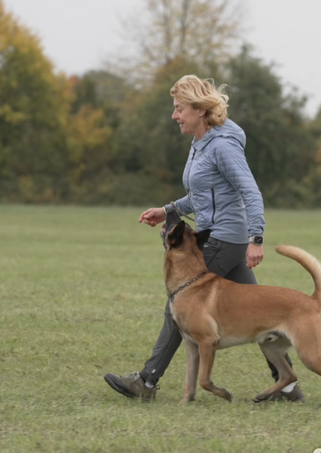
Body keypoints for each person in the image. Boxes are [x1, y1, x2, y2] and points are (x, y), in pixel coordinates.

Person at [104, 75, 303, 402]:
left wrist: (257, 237)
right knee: (260, 311)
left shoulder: (222, 145)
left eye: (179, 108)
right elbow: (200, 195)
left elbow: (250, 191)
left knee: (180, 306)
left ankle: (147, 381)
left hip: (224, 237)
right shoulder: (201, 143)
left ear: (199, 110)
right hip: (224, 236)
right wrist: (167, 209)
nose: (175, 115)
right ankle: (289, 387)